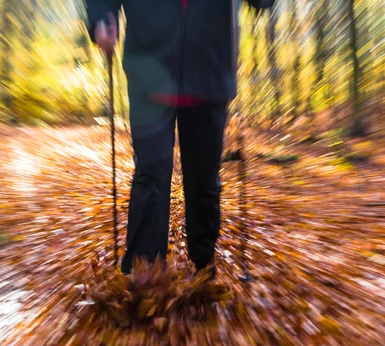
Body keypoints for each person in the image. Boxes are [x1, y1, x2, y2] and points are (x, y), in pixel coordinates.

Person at [85, 0, 274, 277]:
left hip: (209, 69)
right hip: (149, 69)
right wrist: (101, 16)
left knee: (204, 178)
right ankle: (144, 269)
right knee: (151, 170)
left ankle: (203, 266)